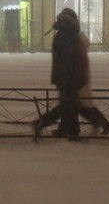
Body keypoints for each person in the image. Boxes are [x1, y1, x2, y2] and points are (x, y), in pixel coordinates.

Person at [34, 8, 87, 141]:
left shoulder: (63, 35)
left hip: (66, 76)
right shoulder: (66, 36)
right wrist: (74, 76)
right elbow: (70, 58)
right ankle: (69, 131)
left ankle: (64, 129)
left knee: (68, 104)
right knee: (68, 104)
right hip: (68, 76)